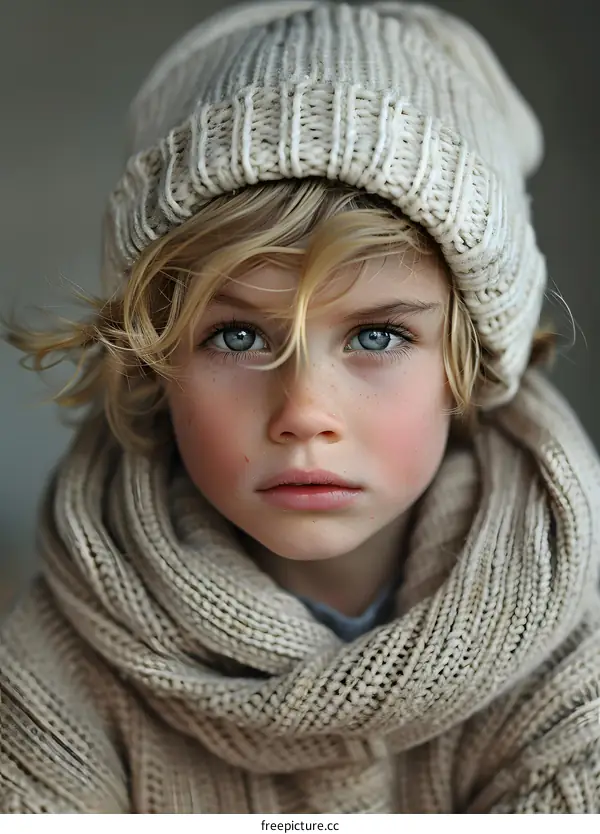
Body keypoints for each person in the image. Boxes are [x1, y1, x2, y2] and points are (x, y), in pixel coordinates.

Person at [1, 0, 599, 815]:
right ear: (155, 360)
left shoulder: (573, 673)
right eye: (238, 335)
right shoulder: (52, 673)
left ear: (469, 367)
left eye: (378, 337)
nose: (304, 411)